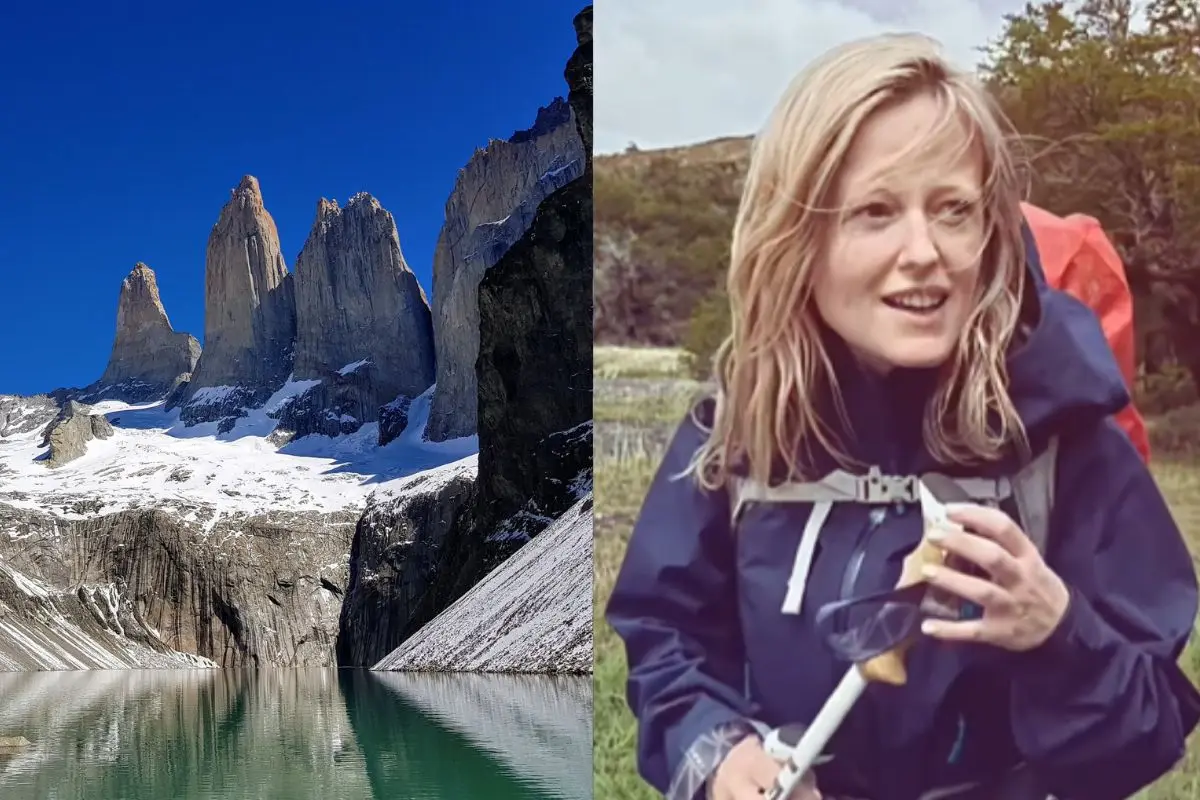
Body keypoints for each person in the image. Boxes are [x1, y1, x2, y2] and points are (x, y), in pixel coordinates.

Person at [604, 32, 1200, 800]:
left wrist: (1056, 632)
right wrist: (716, 755)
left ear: (989, 234)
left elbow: (1144, 743)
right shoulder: (738, 434)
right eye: (876, 211)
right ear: (799, 240)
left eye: (953, 210)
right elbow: (666, 643)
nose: (923, 251)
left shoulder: (1065, 440)